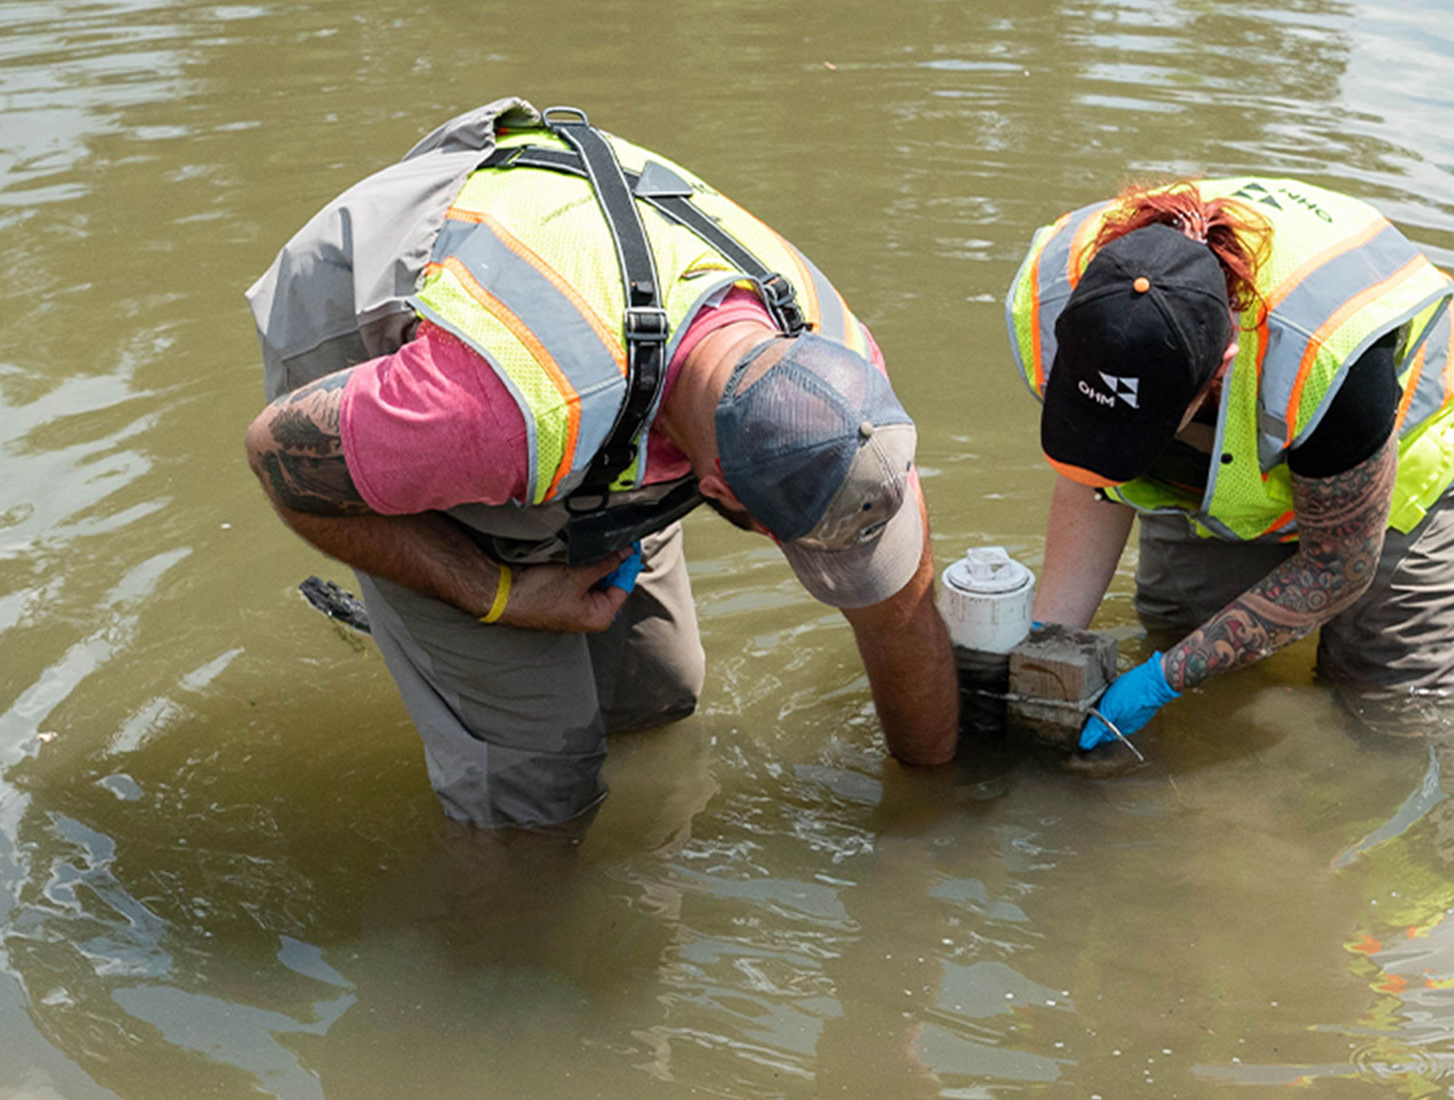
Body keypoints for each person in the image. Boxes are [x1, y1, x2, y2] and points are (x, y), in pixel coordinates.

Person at [244, 99, 957, 830]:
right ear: (710, 487)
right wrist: (496, 594)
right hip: (367, 320)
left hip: (601, 342)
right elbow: (277, 463)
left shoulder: (842, 376)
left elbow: (898, 615)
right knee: (541, 784)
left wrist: (931, 824)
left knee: (658, 692)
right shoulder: (502, 412)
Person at [1003, 177, 1454, 747]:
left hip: (1422, 440)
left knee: (1398, 712)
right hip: (1246, 430)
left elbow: (1338, 566)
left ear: (1221, 366)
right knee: (1180, 626)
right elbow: (1091, 478)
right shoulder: (1056, 297)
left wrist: (1159, 681)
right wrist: (1049, 645)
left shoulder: (1329, 359)